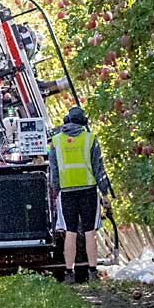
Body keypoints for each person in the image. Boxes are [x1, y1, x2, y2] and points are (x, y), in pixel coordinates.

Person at [49, 106, 112, 284]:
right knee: (89, 231)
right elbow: (99, 169)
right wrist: (105, 193)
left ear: (66, 120)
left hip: (67, 192)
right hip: (88, 190)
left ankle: (69, 273)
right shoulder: (90, 139)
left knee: (70, 232)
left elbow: (54, 172)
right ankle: (92, 273)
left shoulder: (56, 141)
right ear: (83, 121)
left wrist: (55, 192)